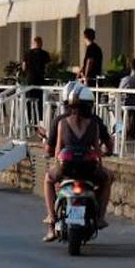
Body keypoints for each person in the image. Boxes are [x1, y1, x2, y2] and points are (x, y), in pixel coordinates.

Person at [43, 83, 114, 241]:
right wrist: (100, 166)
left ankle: (51, 218)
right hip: (88, 168)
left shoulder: (62, 122)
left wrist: (56, 166)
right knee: (107, 178)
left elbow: (57, 150)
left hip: (66, 168)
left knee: (48, 179)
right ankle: (100, 217)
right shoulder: (94, 123)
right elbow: (97, 151)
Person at [22, 36, 50, 105]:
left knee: (29, 97)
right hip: (40, 78)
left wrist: (26, 73)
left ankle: (29, 111)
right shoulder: (44, 54)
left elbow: (24, 66)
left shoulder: (27, 53)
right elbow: (47, 67)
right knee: (40, 98)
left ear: (33, 43)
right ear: (41, 43)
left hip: (30, 78)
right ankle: (39, 112)